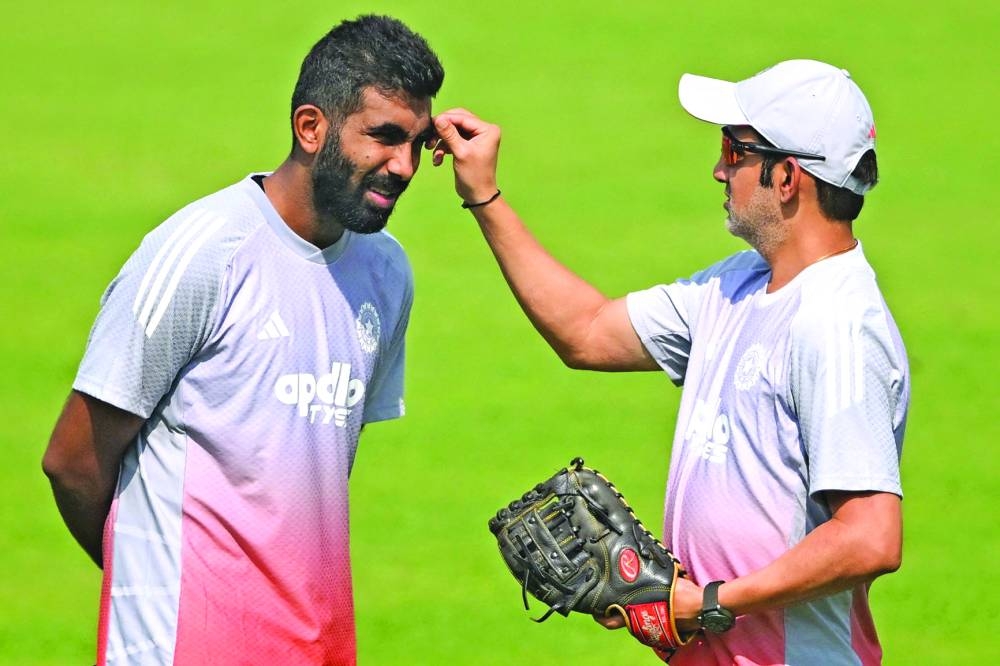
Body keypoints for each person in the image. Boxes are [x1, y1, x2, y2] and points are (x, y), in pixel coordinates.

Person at [430, 59, 908, 665]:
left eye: (734, 151)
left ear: (787, 177)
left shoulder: (839, 326)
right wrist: (485, 196)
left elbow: (869, 538)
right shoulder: (736, 286)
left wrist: (711, 601)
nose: (718, 169)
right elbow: (587, 331)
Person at [42, 15, 443, 665]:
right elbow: (74, 460)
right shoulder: (204, 252)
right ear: (311, 128)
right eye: (384, 137)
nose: (402, 166)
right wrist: (159, 586)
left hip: (319, 646)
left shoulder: (385, 272)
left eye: (418, 144)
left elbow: (311, 469)